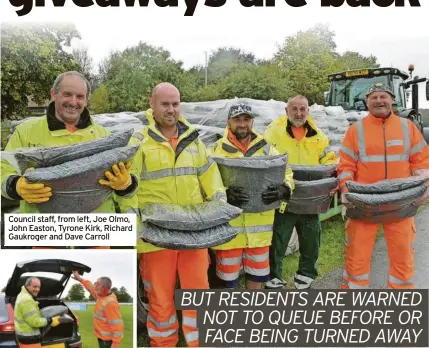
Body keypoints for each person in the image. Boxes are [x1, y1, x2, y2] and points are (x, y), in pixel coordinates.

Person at [0, 71, 140, 249]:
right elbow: (3, 167)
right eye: (67, 94)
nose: (74, 102)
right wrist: (15, 185)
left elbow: (130, 182)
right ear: (53, 94)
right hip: (42, 235)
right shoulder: (26, 132)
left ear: (86, 100)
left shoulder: (105, 138)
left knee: (95, 277)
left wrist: (126, 185)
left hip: (96, 236)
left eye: (80, 96)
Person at [137, 82, 226, 347]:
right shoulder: (138, 142)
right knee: (160, 299)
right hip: (154, 238)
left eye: (175, 104)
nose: (171, 110)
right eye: (165, 104)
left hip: (193, 235)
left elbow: (212, 179)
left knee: (198, 294)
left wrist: (219, 206)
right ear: (152, 104)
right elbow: (128, 188)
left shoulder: (194, 142)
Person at [337, 82, 429, 289]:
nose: (379, 100)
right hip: (363, 204)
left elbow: (421, 160)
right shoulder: (355, 130)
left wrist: (425, 186)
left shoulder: (408, 128)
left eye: (383, 96)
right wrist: (345, 189)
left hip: (401, 203)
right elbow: (346, 164)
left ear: (392, 100)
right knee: (356, 256)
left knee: (403, 256)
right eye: (374, 97)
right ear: (367, 102)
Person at [209, 103, 294, 289]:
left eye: (246, 119)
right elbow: (205, 182)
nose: (242, 124)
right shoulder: (214, 150)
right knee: (226, 282)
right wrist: (223, 194)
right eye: (237, 119)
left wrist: (284, 189)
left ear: (252, 121)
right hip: (229, 233)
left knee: (257, 279)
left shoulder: (266, 149)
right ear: (228, 122)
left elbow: (286, 172)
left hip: (260, 233)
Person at [264, 95, 338, 289]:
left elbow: (328, 158)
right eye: (294, 109)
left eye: (302, 109)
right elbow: (265, 159)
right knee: (277, 240)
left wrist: (333, 170)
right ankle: (274, 278)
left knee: (312, 240)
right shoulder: (273, 132)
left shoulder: (317, 135)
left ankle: (305, 276)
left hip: (309, 198)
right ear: (286, 111)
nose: (299, 113)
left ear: (308, 111)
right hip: (284, 199)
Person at [72, 271, 124, 347]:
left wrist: (115, 345)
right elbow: (90, 287)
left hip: (107, 342)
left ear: (103, 288)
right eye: (95, 283)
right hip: (101, 338)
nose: (95, 286)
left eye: (97, 284)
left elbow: (118, 326)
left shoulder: (110, 303)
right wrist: (80, 279)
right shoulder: (101, 295)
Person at [14, 277, 62, 348]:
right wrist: (50, 320)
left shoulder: (22, 295)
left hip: (24, 337)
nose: (37, 289)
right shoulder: (27, 300)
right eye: (35, 286)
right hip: (30, 340)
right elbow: (35, 322)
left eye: (39, 287)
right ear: (27, 286)